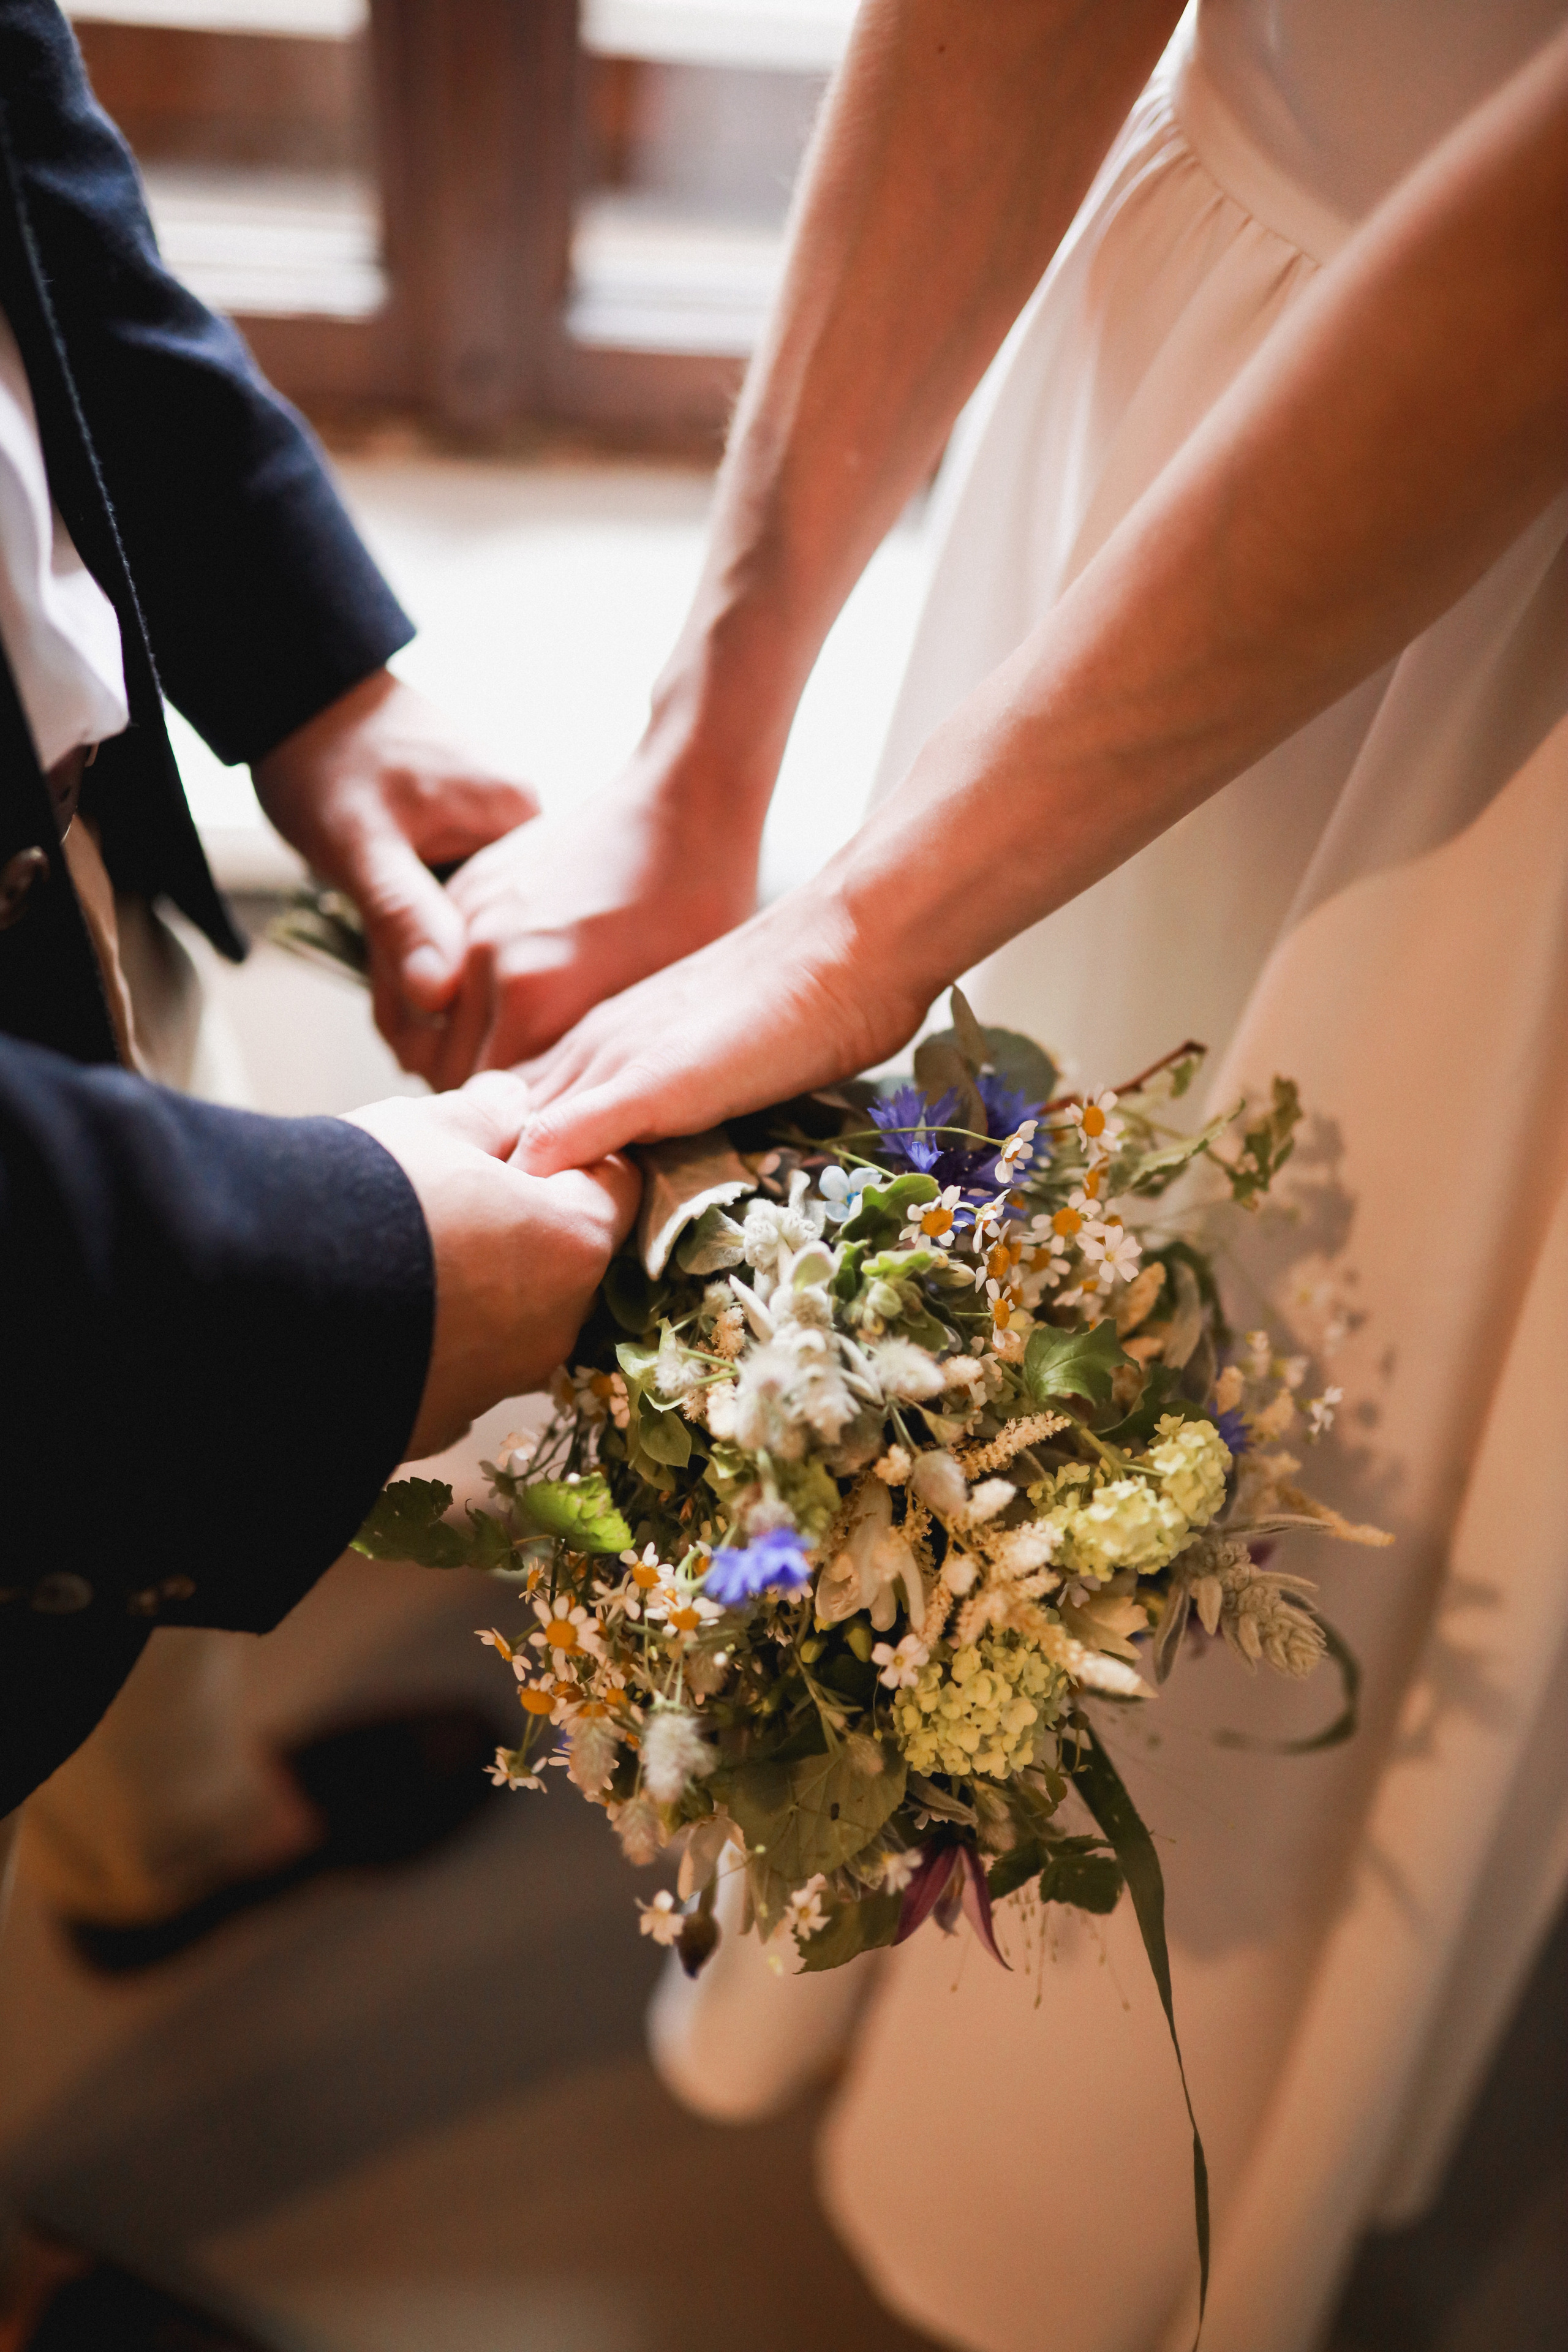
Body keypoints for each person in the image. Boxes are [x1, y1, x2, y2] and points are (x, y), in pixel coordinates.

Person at [413, 6, 1567, 2350]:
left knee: (1338, 1477)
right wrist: (712, 741)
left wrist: (853, 934)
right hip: (1181, 384)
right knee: (987, 1321)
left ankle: (1060, 2212)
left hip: (1512, 561)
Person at [0, 7, 636, 2337]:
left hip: (65, 888)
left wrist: (315, 672)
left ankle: (160, 1847)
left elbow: (25, 159)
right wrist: (347, 1271)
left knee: (107, 1506)